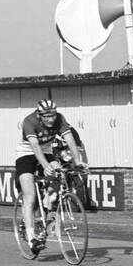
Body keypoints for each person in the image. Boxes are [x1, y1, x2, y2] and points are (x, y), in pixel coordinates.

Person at [15, 98, 83, 253]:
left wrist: (78, 161)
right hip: (26, 154)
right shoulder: (29, 121)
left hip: (46, 151)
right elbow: (34, 146)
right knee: (30, 196)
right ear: (39, 115)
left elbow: (70, 140)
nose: (51, 119)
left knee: (59, 172)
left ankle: (47, 204)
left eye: (53, 115)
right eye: (46, 116)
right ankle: (32, 238)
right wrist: (45, 166)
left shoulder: (60, 119)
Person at [51, 123, 94, 211]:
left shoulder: (69, 130)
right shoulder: (50, 132)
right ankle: (51, 199)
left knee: (77, 173)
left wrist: (82, 161)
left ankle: (80, 203)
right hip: (53, 154)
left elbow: (78, 146)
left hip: (66, 156)